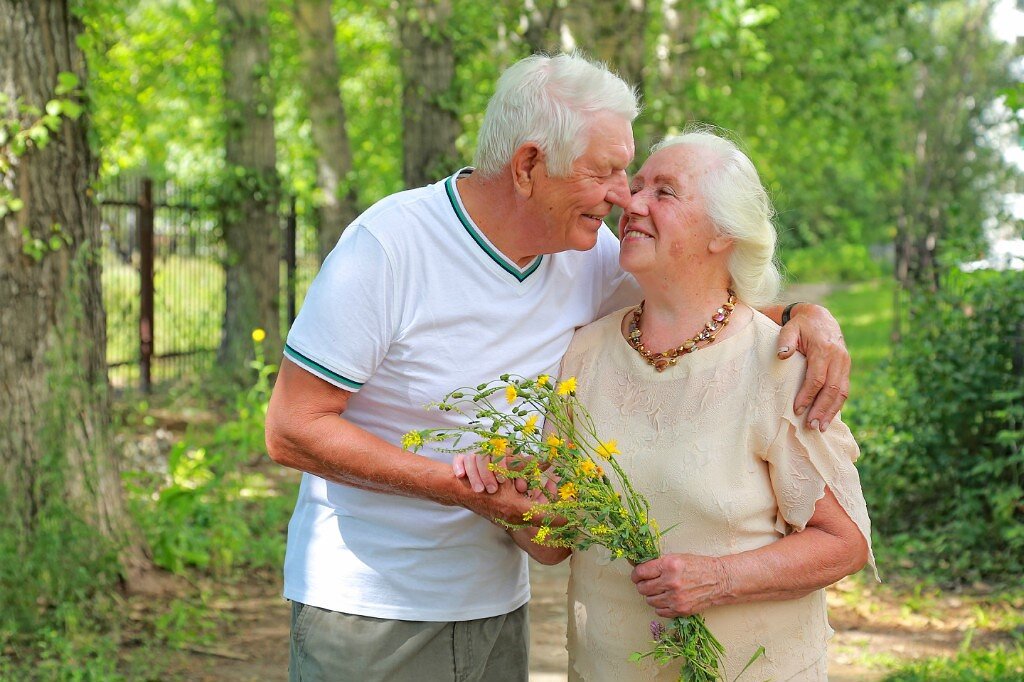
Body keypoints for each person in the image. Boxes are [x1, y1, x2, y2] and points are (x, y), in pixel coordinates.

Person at [265, 53, 851, 682]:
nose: (623, 197)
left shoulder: (587, 251)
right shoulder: (389, 248)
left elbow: (697, 292)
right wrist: (453, 486)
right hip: (371, 606)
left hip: (496, 601)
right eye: (607, 172)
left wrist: (803, 313)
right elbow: (292, 427)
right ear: (528, 166)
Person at [546, 129, 873, 680]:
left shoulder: (780, 361)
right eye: (637, 185)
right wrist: (503, 494)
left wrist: (719, 578)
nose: (631, 201)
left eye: (664, 192)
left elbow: (844, 544)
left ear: (724, 233)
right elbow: (550, 543)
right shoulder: (583, 353)